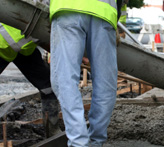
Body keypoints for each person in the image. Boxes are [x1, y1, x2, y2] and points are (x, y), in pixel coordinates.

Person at [49, 0, 121, 146]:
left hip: (67, 7)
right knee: (105, 81)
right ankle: (96, 140)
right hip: (104, 12)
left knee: (65, 79)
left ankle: (79, 143)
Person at [0, 23, 61, 137]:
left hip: (24, 49)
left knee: (47, 86)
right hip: (2, 46)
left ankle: (52, 130)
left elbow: (43, 37)